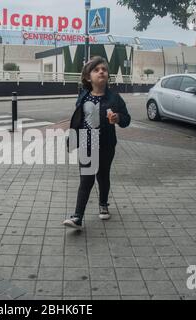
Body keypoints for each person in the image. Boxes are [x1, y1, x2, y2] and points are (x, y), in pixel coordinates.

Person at [63, 56, 131, 230]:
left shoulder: (115, 98)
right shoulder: (83, 96)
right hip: (87, 141)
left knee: (103, 176)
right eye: (96, 69)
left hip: (107, 143)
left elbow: (126, 120)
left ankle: (103, 204)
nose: (101, 71)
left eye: (104, 69)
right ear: (88, 77)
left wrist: (118, 118)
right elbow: (77, 119)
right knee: (86, 180)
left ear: (107, 75)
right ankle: (77, 217)